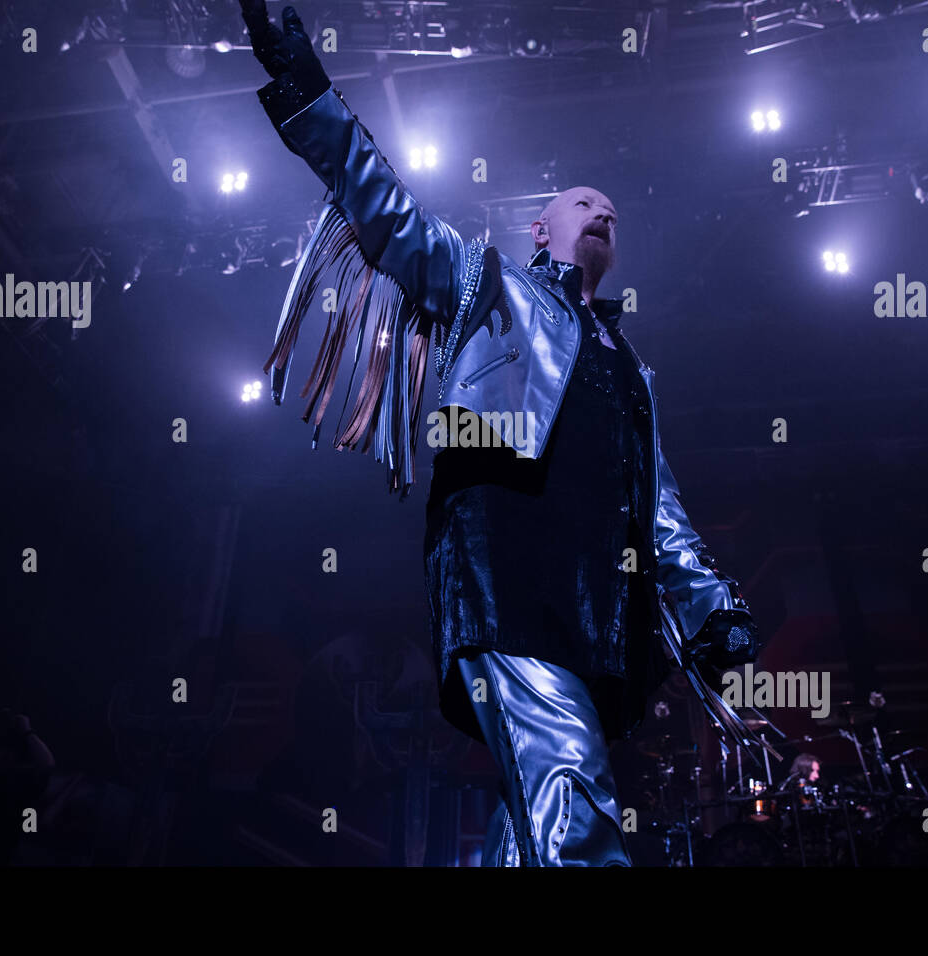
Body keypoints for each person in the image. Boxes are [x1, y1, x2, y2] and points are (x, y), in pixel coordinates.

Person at [240, 1, 762, 866]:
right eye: (582, 200)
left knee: (534, 824)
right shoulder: (489, 284)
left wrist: (714, 610)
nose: (603, 209)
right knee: (569, 789)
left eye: (613, 209)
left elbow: (661, 507)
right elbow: (386, 209)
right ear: (539, 229)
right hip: (503, 581)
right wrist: (306, 86)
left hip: (595, 607)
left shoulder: (633, 372)